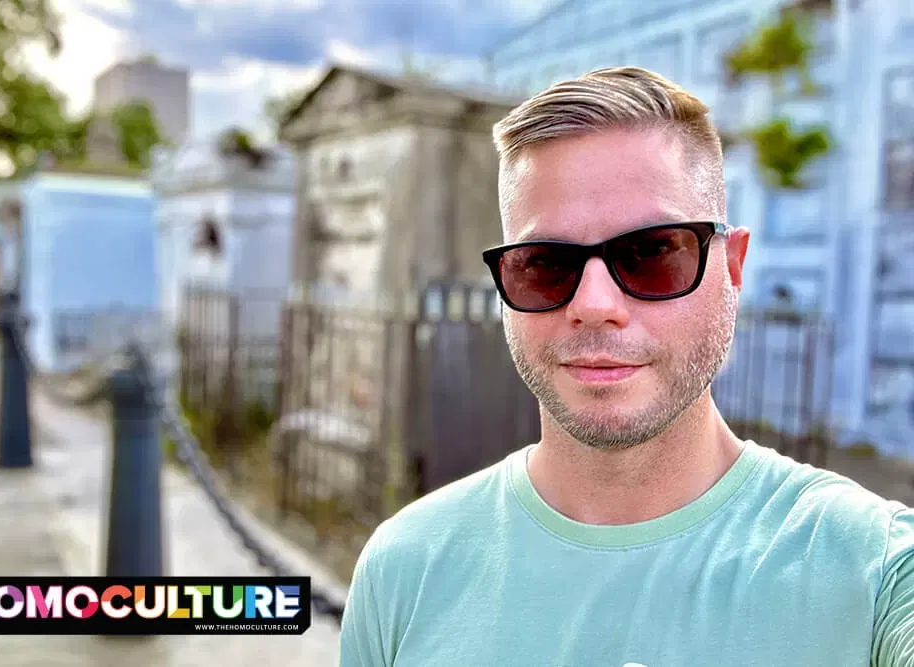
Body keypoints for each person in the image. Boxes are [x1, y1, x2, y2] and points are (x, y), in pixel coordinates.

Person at [338, 67, 914, 666]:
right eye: (544, 263)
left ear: (733, 268)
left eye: (652, 252)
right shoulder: (403, 567)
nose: (593, 306)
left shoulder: (877, 572)